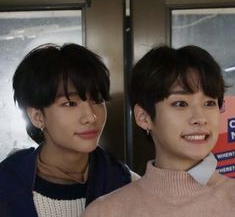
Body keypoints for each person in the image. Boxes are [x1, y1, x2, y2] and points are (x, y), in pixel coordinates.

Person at [81, 45, 235, 217]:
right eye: (180, 104)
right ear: (144, 117)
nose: (200, 118)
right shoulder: (105, 212)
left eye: (209, 103)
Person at [0, 43, 139, 217]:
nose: (90, 117)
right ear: (37, 116)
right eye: (70, 104)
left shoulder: (128, 184)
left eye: (97, 100)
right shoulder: (7, 183)